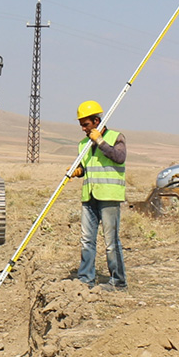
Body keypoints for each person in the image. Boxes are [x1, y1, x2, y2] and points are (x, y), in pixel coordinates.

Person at [72, 99, 127, 289]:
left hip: (109, 196)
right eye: (81, 125)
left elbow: (119, 158)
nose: (83, 129)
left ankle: (118, 282)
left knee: (111, 241)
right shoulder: (83, 144)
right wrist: (79, 171)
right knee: (87, 240)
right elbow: (89, 167)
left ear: (96, 121)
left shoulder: (115, 137)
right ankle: (85, 279)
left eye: (86, 124)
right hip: (90, 196)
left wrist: (100, 141)